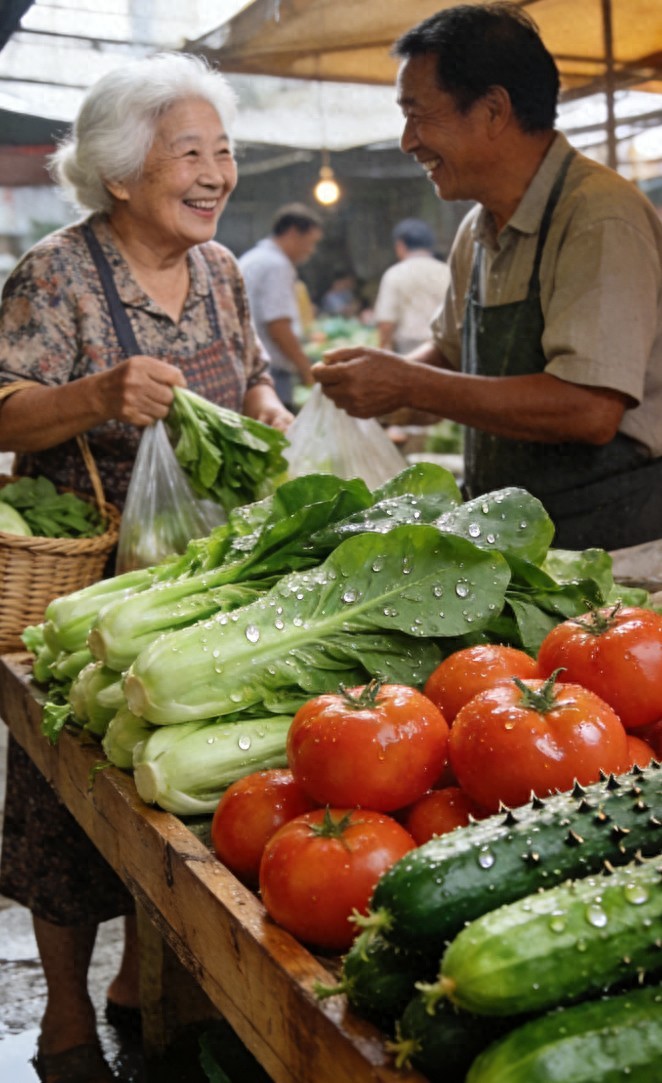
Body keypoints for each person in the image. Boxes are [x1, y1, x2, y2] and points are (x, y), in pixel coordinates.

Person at [0, 53, 291, 1083]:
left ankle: (149, 982)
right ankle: (66, 1015)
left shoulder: (219, 271)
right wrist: (96, 393)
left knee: (183, 805)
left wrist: (275, 419)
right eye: (190, 153)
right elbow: (4, 408)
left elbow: (252, 382)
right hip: (85, 596)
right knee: (59, 812)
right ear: (122, 175)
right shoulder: (57, 273)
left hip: (203, 584)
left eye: (224, 152)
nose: (216, 173)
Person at [314, 2, 662, 552]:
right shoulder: (478, 228)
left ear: (493, 110)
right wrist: (369, 386)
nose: (408, 141)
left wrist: (406, 384)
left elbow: (591, 409)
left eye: (418, 113)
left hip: (614, 543)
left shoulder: (599, 216)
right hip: (518, 538)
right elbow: (452, 361)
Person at [239, 203, 323, 410]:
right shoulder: (276, 265)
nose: (310, 251)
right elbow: (278, 325)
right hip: (269, 372)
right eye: (310, 243)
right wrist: (306, 370)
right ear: (293, 233)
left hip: (246, 368)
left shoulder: (254, 258)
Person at [374, 218, 451, 354]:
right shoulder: (448, 272)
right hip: (445, 350)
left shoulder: (395, 273)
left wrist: (382, 349)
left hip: (409, 351)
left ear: (400, 245)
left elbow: (386, 322)